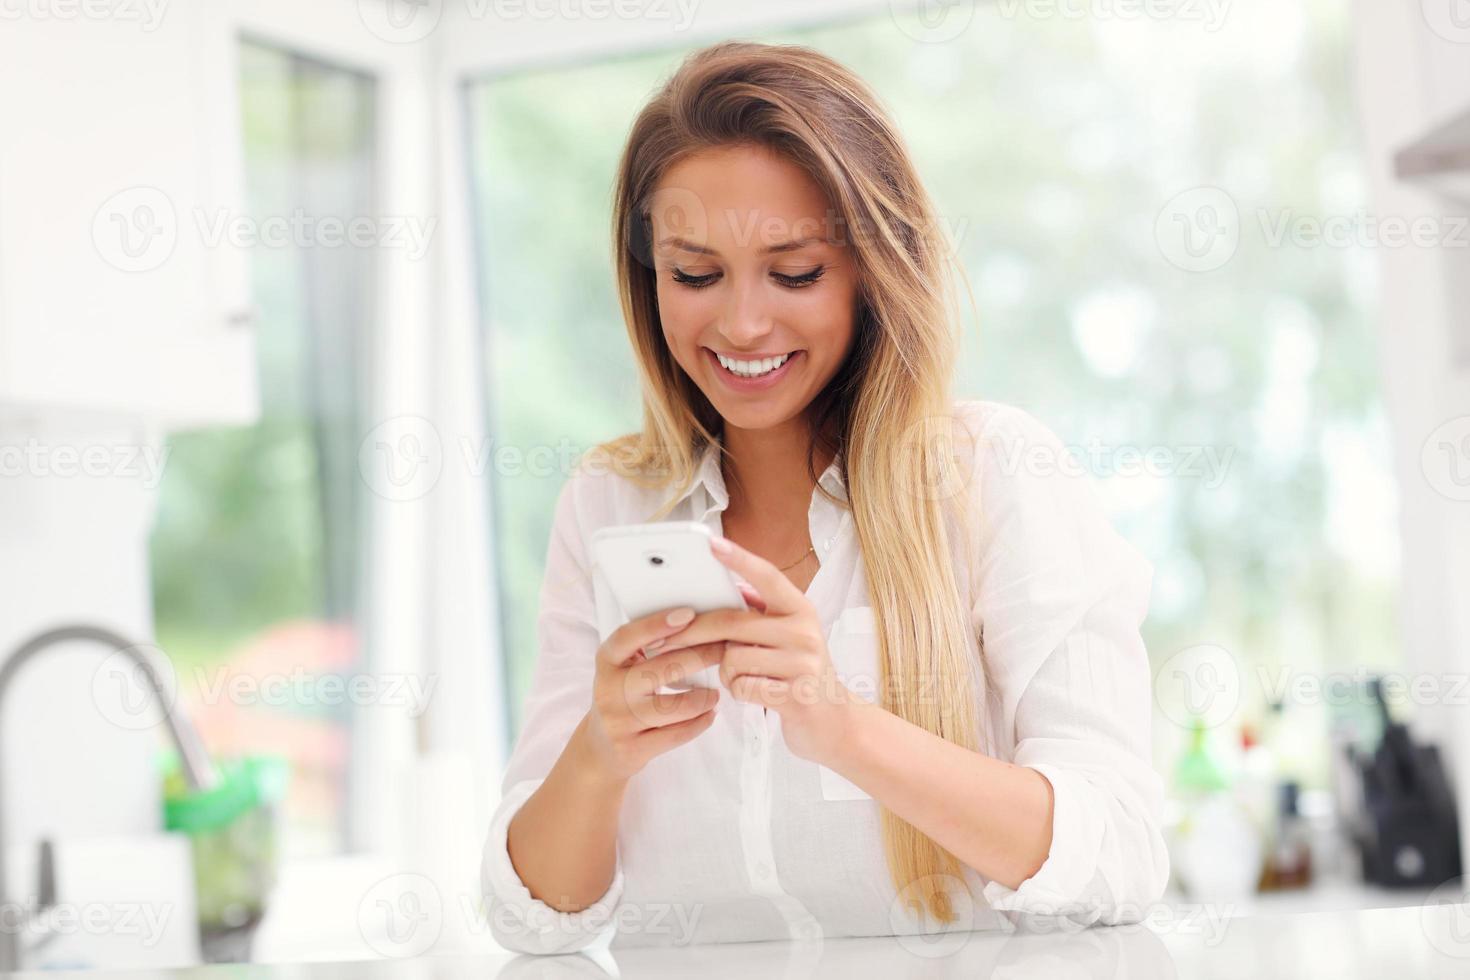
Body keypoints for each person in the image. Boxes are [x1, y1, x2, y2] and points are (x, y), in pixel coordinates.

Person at [481, 40, 1167, 954]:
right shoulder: (611, 501)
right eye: (694, 274)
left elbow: (1117, 852)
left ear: (871, 272)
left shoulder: (994, 473)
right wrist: (601, 752)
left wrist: (841, 725)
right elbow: (532, 919)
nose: (743, 323)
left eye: (794, 272)